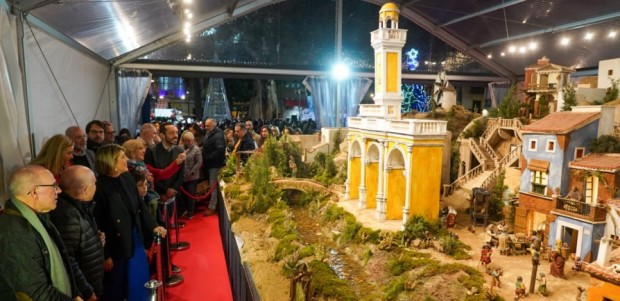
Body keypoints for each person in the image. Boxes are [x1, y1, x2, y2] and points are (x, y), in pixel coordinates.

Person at [93, 144, 167, 301]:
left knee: (139, 278)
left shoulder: (127, 178)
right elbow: (97, 223)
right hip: (115, 246)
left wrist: (154, 226)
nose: (126, 160)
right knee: (116, 286)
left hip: (134, 238)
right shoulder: (99, 187)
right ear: (111, 161)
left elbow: (140, 207)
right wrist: (105, 255)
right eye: (122, 157)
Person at [0, 165, 85, 301]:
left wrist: (76, 293)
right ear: (34, 192)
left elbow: (64, 262)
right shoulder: (15, 233)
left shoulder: (38, 218)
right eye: (53, 186)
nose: (59, 190)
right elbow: (37, 292)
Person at [50, 166, 104, 299]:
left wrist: (95, 239)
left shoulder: (78, 206)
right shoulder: (67, 215)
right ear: (85, 190)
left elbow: (80, 239)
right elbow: (68, 260)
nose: (96, 188)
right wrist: (87, 291)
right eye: (94, 184)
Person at [201, 118, 227, 216]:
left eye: (208, 125)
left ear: (214, 125)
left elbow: (220, 150)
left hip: (215, 165)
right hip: (211, 164)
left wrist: (208, 157)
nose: (205, 127)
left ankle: (212, 207)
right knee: (213, 186)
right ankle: (213, 205)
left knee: (214, 187)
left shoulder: (218, 135)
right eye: (205, 125)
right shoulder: (211, 133)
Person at [178, 131, 202, 219]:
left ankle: (191, 212)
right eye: (185, 140)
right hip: (182, 176)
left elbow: (199, 162)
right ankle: (183, 210)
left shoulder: (196, 149)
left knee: (191, 195)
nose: (187, 142)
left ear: (192, 140)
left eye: (189, 140)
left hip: (192, 177)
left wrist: (192, 171)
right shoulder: (180, 148)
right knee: (181, 195)